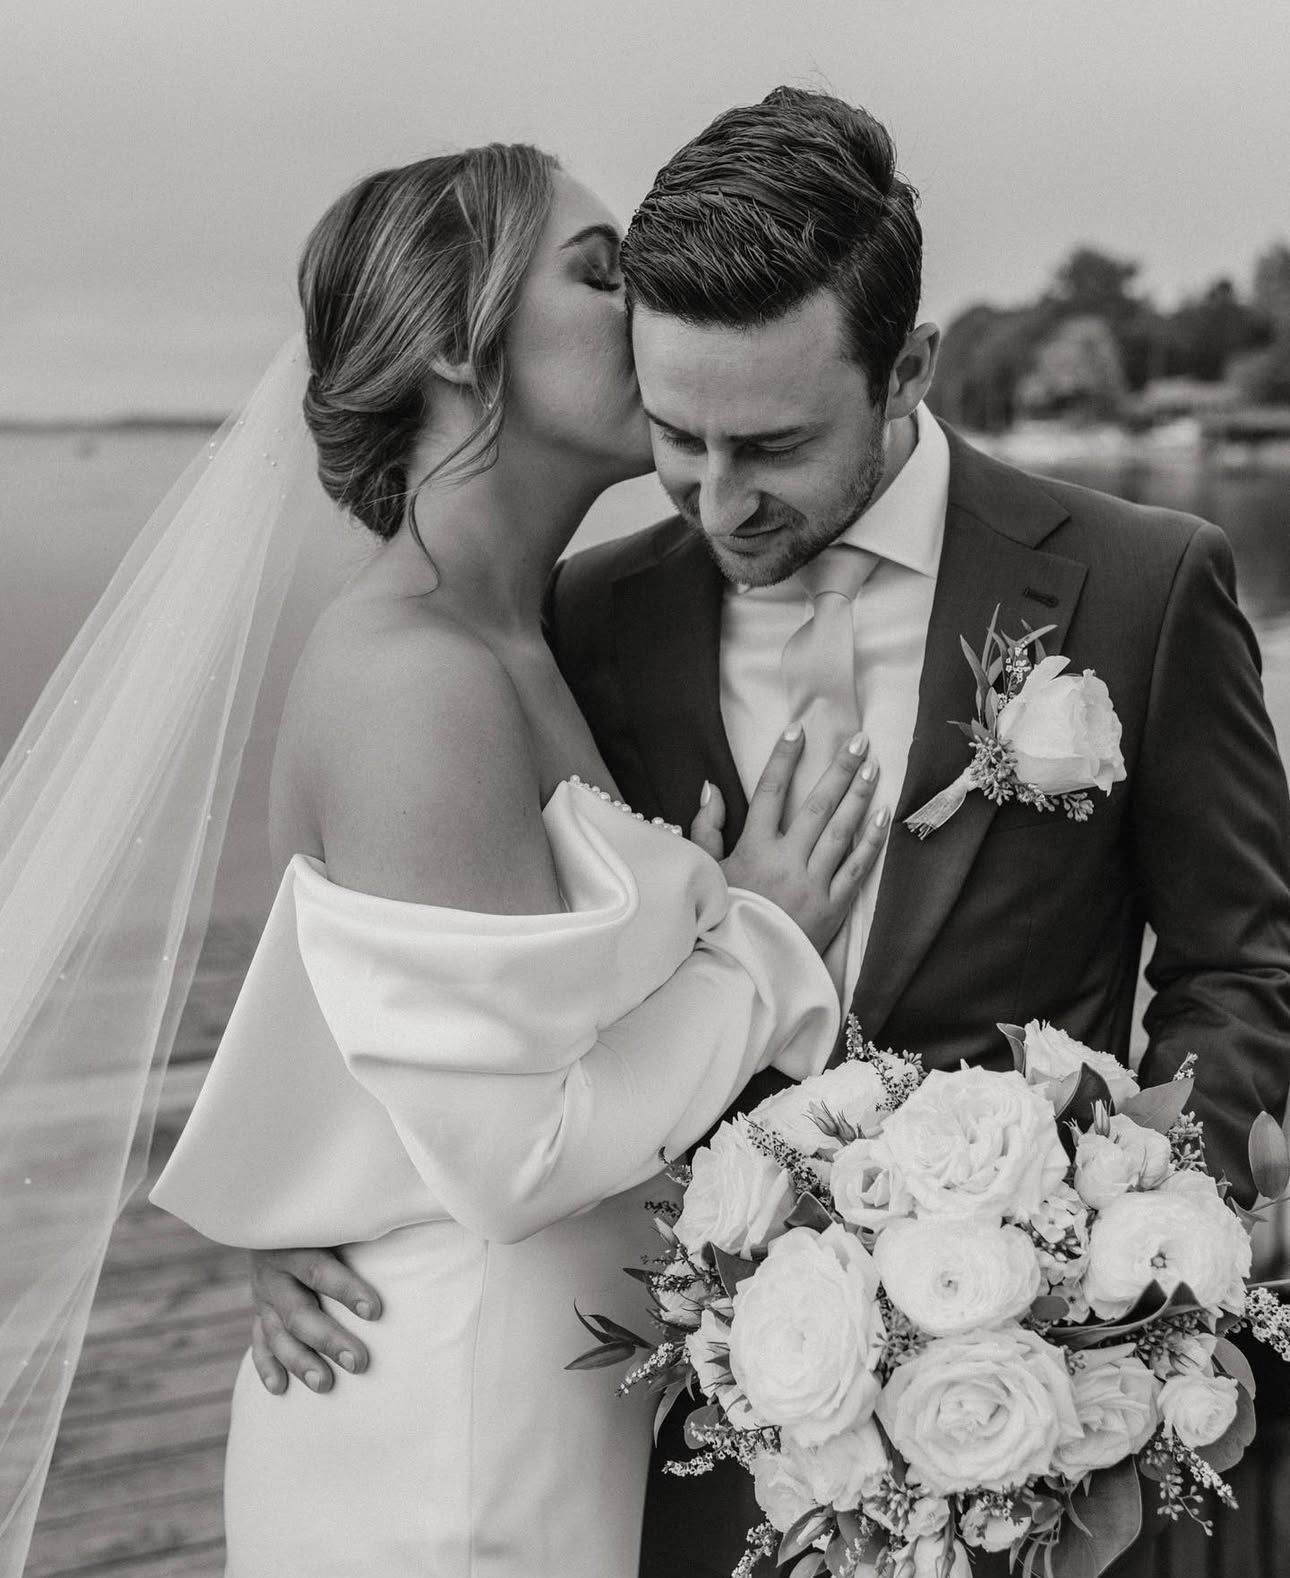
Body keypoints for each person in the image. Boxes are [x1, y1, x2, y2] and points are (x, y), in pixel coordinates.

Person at [255, 91, 1290, 1576]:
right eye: (677, 438)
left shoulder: (1141, 584)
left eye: (773, 445)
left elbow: (1239, 963)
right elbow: (427, 960)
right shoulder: (578, 619)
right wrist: (284, 1200)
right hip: (682, 1442)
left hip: (1067, 1425)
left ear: (905, 372)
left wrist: (1134, 1216)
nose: (718, 499)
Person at [146, 142, 891, 1577]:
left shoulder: (516, 638)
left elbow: (385, 1035)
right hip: (446, 1432)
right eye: (601, 270)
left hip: (537, 1403)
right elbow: (511, 1152)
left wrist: (311, 1186)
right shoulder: (408, 678)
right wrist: (761, 934)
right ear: (446, 341)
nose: (652, 300)